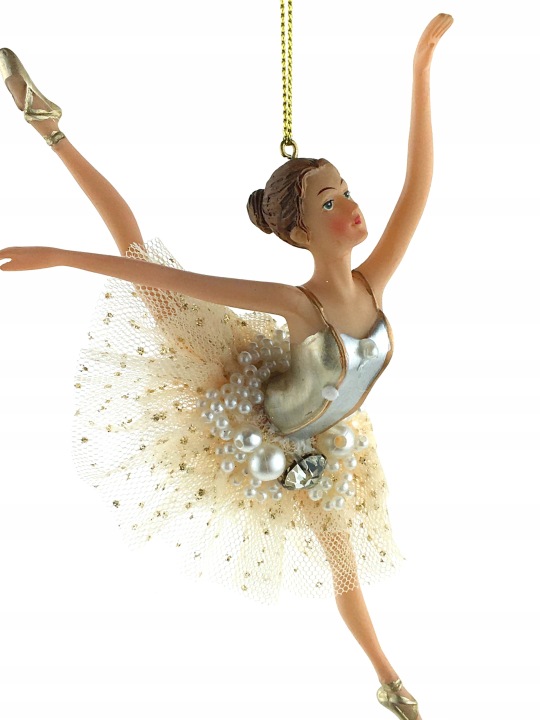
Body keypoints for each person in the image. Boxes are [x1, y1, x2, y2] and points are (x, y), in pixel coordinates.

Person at [0, 14, 453, 719]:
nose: (351, 206)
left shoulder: (374, 282)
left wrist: (420, 72)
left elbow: (417, 186)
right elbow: (178, 283)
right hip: (237, 396)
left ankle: (386, 680)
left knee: (342, 561)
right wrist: (59, 256)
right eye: (330, 201)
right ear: (300, 232)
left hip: (318, 442)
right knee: (140, 255)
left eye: (346, 190)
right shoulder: (297, 304)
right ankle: (50, 128)